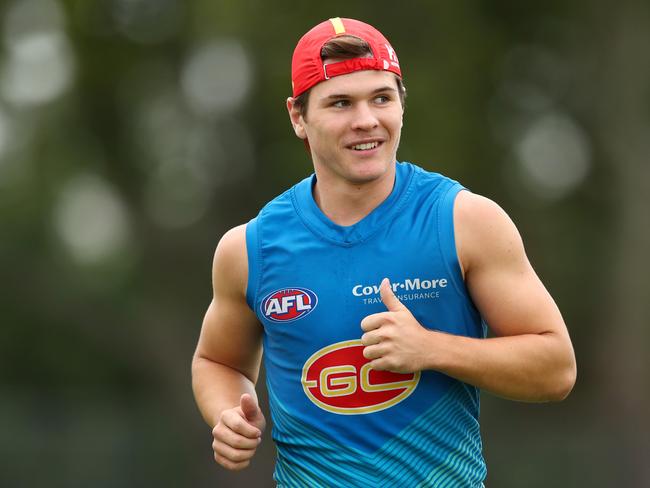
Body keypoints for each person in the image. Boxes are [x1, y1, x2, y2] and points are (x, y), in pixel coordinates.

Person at [191, 17, 577, 487]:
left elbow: (556, 368)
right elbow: (218, 362)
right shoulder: (250, 249)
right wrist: (229, 413)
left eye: (382, 98)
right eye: (340, 103)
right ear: (298, 117)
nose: (366, 120)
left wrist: (432, 348)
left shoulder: (463, 221)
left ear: (401, 104)